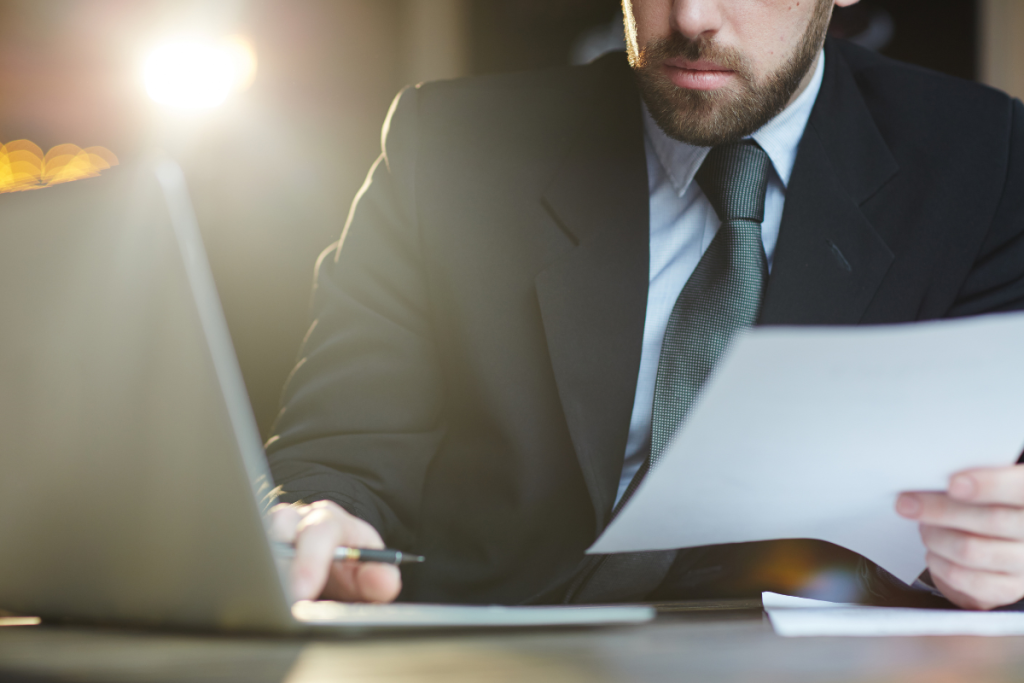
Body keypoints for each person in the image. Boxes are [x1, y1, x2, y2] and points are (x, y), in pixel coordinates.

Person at [265, 0, 1024, 611]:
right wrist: (318, 520)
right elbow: (340, 452)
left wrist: (999, 552)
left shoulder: (984, 161)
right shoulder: (451, 149)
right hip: (497, 647)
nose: (692, 18)